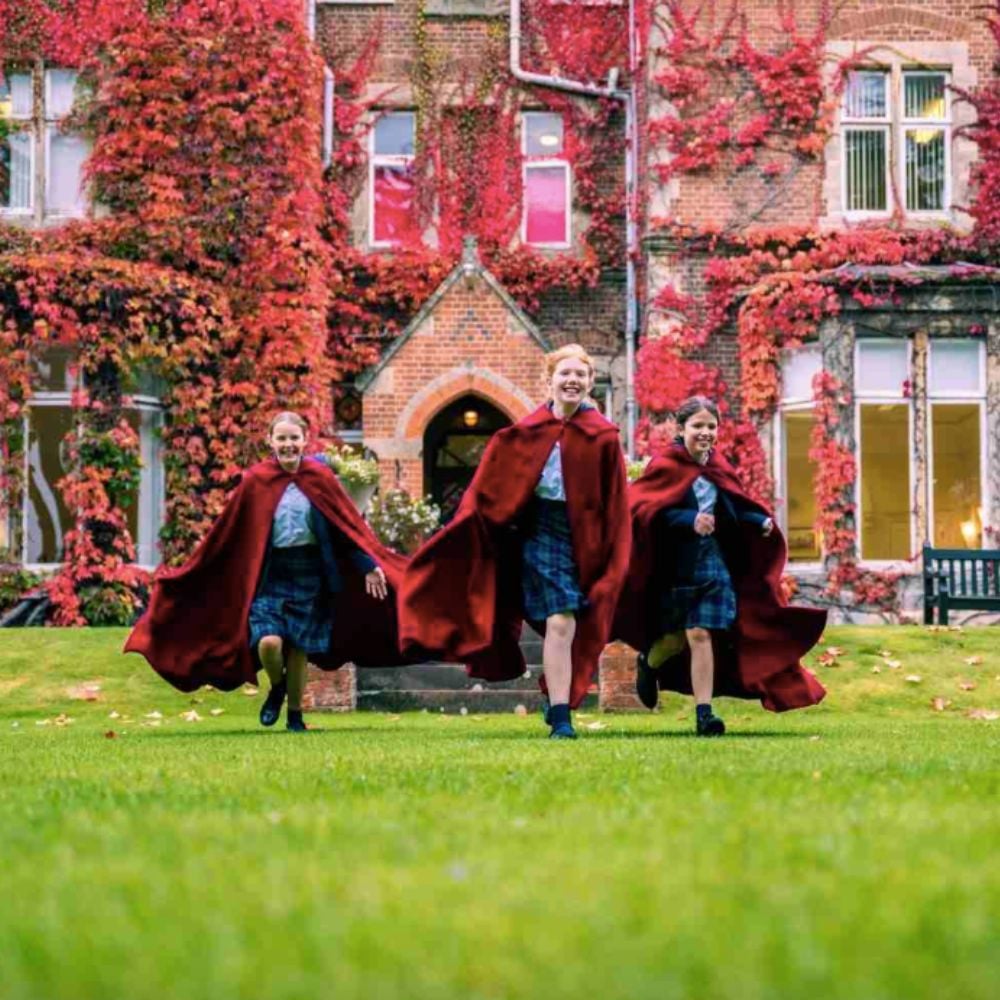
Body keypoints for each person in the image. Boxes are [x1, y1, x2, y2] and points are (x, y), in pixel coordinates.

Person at [400, 344, 631, 739]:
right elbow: (488, 490)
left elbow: (616, 500)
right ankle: (561, 715)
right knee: (561, 619)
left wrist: (612, 555)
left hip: (587, 539)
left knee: (575, 624)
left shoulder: (603, 437)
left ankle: (556, 697)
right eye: (565, 374)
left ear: (591, 383)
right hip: (540, 531)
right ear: (550, 381)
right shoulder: (524, 434)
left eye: (580, 375)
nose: (572, 380)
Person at [126, 412, 406, 731]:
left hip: (310, 571)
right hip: (271, 573)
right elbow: (230, 532)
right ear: (270, 441)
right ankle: (277, 687)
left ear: (304, 440)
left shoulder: (321, 477)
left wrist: (369, 566)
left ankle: (296, 717)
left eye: (294, 438)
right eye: (282, 438)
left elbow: (344, 528)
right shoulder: (256, 480)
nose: (288, 444)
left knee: (299, 647)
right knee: (269, 643)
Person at [614, 395, 826, 735]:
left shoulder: (718, 467)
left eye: (711, 426)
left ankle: (704, 714)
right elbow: (645, 510)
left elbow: (733, 505)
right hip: (673, 565)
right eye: (698, 426)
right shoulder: (665, 464)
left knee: (701, 633)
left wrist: (759, 521)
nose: (706, 432)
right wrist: (688, 519)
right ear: (681, 429)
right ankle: (648, 663)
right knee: (674, 639)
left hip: (712, 562)